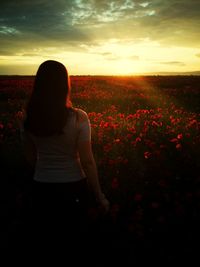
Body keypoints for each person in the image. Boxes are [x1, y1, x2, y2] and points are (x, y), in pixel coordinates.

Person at [21, 60, 110, 254]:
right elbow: (87, 161)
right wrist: (100, 196)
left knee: (47, 243)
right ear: (64, 84)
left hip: (41, 188)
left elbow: (30, 158)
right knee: (74, 243)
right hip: (73, 188)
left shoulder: (28, 119)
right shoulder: (79, 118)